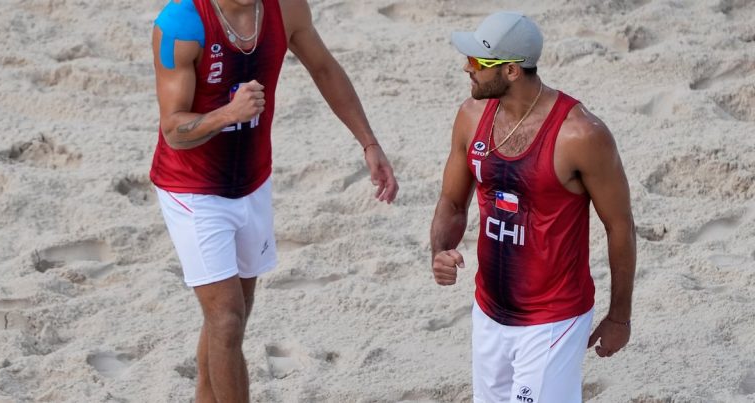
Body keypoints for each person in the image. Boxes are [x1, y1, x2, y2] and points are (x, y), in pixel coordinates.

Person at [149, 0, 398, 401]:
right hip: (191, 189)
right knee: (227, 321)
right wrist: (227, 114)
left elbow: (325, 68)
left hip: (252, 181)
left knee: (233, 313)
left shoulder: (285, 8)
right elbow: (174, 129)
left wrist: (368, 143)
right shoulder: (182, 23)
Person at [429, 11, 636, 403]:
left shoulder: (581, 134)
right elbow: (453, 202)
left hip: (553, 318)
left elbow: (620, 226)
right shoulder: (471, 117)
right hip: (488, 310)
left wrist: (619, 317)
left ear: (510, 71)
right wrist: (440, 250)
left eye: (477, 62)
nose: (466, 68)